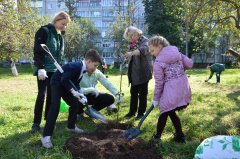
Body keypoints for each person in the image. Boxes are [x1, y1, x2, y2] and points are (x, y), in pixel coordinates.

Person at [40, 49, 101, 149]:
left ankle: (71, 127)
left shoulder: (83, 69)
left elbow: (75, 82)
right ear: (89, 61)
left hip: (64, 84)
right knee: (55, 107)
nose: (95, 68)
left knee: (74, 104)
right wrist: (73, 92)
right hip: (57, 83)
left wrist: (80, 94)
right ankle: (45, 136)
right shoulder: (76, 66)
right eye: (95, 65)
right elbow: (63, 80)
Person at [30, 11, 70, 133]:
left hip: (55, 70)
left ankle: (48, 119)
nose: (64, 27)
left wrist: (61, 69)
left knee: (52, 96)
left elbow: (59, 56)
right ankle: (36, 124)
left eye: (66, 25)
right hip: (44, 69)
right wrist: (40, 67)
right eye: (63, 24)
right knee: (42, 95)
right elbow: (38, 50)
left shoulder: (60, 36)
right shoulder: (44, 31)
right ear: (57, 20)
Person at [148, 35, 193, 143]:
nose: (152, 53)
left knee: (164, 111)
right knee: (171, 111)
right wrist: (180, 67)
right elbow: (189, 64)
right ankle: (180, 136)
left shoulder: (158, 62)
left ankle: (157, 137)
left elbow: (159, 83)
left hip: (171, 90)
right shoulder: (177, 52)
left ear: (159, 46)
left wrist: (156, 99)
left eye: (152, 50)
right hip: (183, 87)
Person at [123, 26, 153, 120]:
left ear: (136, 34)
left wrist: (131, 53)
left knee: (142, 94)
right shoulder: (133, 44)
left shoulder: (146, 41)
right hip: (134, 72)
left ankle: (140, 113)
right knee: (133, 93)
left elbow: (143, 50)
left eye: (131, 37)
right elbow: (131, 58)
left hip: (144, 71)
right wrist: (129, 69)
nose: (130, 40)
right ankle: (132, 112)